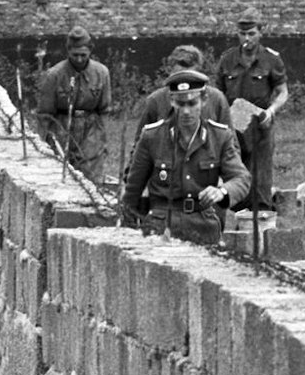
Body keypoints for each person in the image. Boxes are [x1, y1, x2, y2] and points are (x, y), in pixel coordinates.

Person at [122, 68, 251, 245]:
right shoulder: (152, 137)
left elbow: (242, 179)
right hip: (161, 227)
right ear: (172, 102)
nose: (186, 111)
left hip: (203, 226)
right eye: (180, 104)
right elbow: (132, 192)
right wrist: (129, 234)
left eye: (192, 103)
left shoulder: (219, 137)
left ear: (204, 100)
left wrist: (221, 192)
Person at [213, 5, 288, 213]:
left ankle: (262, 215)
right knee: (235, 169)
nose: (247, 38)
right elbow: (217, 94)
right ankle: (238, 215)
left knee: (261, 174)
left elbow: (283, 92)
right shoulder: (227, 59)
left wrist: (271, 111)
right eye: (242, 33)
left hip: (260, 125)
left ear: (260, 33)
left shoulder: (271, 59)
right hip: (232, 126)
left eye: (252, 33)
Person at [35, 27, 114, 183]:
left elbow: (105, 109)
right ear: (68, 51)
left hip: (91, 131)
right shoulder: (55, 75)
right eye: (75, 55)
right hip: (62, 128)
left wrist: (103, 140)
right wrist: (42, 144)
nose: (79, 59)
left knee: (91, 177)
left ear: (90, 51)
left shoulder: (101, 73)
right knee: (61, 175)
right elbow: (44, 114)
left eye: (83, 55)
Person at [131, 45, 230, 132]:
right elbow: (141, 144)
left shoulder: (216, 99)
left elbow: (231, 145)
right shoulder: (156, 100)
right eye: (179, 77)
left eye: (189, 78)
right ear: (170, 71)